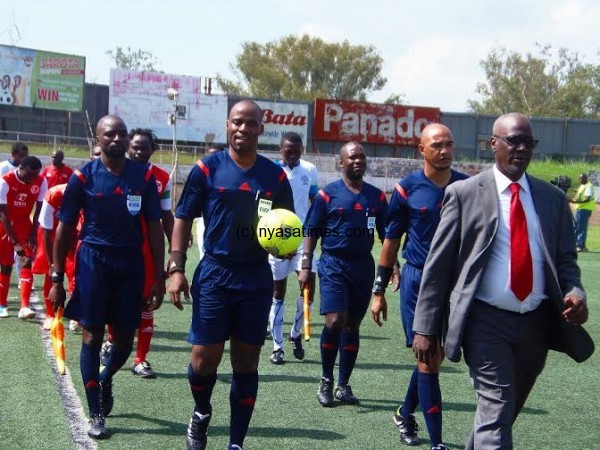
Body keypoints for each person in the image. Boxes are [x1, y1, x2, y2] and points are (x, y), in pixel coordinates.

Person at [412, 112, 591, 449]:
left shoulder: (551, 200)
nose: (522, 148)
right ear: (493, 144)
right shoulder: (464, 193)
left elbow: (566, 262)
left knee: (501, 414)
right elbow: (438, 267)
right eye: (514, 141)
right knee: (496, 410)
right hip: (485, 321)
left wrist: (575, 294)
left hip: (536, 324)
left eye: (529, 142)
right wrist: (425, 329)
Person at [168, 100, 294, 450]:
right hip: (215, 274)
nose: (242, 129)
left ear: (260, 129)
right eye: (237, 122)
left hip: (255, 277)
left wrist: (284, 247)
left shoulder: (275, 176)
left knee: (245, 360)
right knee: (203, 358)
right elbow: (182, 217)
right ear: (227, 126)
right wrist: (176, 266)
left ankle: (236, 442)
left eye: (250, 123)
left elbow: (287, 227)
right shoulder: (207, 170)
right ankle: (202, 411)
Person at [49, 115, 166, 439]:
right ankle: (96, 413)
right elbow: (64, 229)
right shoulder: (82, 177)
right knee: (91, 336)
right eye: (109, 134)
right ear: (97, 140)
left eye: (121, 134)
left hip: (130, 265)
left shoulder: (142, 177)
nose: (116, 139)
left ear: (128, 140)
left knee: (125, 340)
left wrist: (159, 275)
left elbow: (155, 228)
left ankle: (105, 376)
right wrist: (57, 279)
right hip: (93, 263)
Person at [371, 124, 467, 450]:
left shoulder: (467, 186)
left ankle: (403, 411)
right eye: (437, 145)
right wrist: (378, 290)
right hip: (418, 280)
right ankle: (436, 441)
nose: (445, 151)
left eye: (449, 144)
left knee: (434, 356)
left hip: (455, 284)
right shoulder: (406, 189)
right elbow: (390, 243)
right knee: (427, 357)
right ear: (421, 149)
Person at [300, 141, 388, 407]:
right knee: (335, 321)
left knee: (352, 326)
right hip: (334, 264)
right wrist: (306, 264)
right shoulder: (327, 195)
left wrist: (391, 265)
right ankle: (326, 380)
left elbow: (387, 235)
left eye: (362, 156)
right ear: (341, 163)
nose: (358, 161)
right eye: (352, 157)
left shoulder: (377, 197)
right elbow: (311, 230)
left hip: (363, 266)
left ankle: (344, 384)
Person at [100, 128, 175, 379]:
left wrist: (175, 246)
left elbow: (165, 215)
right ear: (127, 147)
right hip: (117, 248)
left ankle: (140, 359)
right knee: (112, 300)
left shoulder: (161, 178)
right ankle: (111, 340)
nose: (138, 151)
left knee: (146, 304)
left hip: (146, 250)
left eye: (144, 147)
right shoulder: (113, 170)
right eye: (135, 146)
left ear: (153, 150)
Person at [268, 131, 318, 365]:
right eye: (288, 150)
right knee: (278, 293)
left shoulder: (309, 170)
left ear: (302, 150)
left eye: (297, 150)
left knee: (308, 290)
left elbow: (314, 202)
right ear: (281, 149)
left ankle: (295, 334)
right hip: (277, 239)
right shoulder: (271, 170)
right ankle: (277, 347)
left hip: (303, 238)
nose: (293, 153)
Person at [0, 156, 47, 319]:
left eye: (35, 175)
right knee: (5, 265)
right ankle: (2, 305)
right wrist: (14, 243)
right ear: (20, 168)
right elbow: (2, 214)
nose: (32, 179)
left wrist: (34, 233)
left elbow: (39, 208)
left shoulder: (41, 181)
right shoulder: (5, 181)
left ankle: (24, 307)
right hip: (4, 226)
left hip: (24, 225)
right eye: (29, 175)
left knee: (27, 260)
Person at [32, 182, 78, 330]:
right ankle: (50, 315)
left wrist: (73, 241)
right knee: (50, 274)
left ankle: (76, 315)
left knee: (76, 274)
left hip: (72, 236)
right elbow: (45, 231)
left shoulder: (84, 193)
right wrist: (52, 263)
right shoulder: (53, 195)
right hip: (51, 236)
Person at [195, 144, 225, 258]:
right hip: (205, 223)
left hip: (227, 224)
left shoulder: (232, 176)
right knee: (205, 256)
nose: (213, 159)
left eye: (217, 155)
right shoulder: (201, 177)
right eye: (211, 155)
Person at [569, 173, 595, 252]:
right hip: (580, 209)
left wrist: (574, 201)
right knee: (576, 227)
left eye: (582, 178)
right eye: (580, 178)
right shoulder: (583, 186)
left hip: (584, 210)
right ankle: (576, 244)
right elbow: (580, 193)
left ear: (586, 178)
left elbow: (587, 199)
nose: (580, 180)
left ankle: (580, 246)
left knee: (581, 228)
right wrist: (575, 191)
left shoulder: (588, 187)